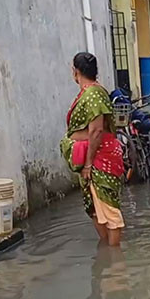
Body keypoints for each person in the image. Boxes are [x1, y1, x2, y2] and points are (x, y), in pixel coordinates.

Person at [60, 52, 126, 246]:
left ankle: (115, 263)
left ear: (76, 72)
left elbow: (96, 131)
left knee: (110, 211)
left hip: (100, 157)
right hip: (92, 157)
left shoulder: (94, 94)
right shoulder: (91, 92)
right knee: (95, 209)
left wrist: (88, 163)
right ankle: (107, 251)